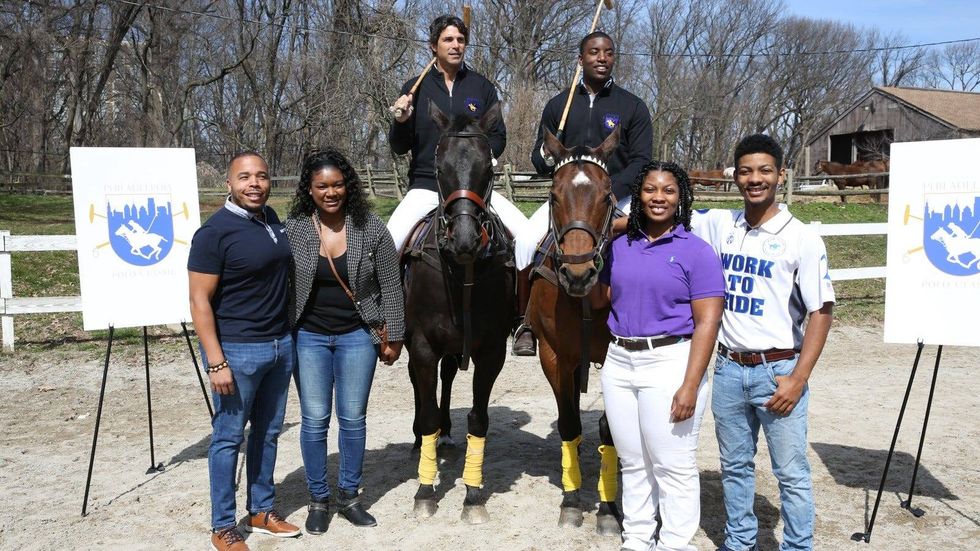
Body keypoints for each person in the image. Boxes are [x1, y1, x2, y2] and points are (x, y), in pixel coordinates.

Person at [690, 134, 835, 551]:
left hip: (779, 371)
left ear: (780, 175)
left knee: (790, 472)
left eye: (765, 171)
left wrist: (798, 378)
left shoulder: (802, 237)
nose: (755, 179)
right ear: (735, 175)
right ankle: (740, 543)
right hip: (729, 369)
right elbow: (660, 211)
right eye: (747, 171)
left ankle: (797, 546)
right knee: (735, 467)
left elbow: (821, 311)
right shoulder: (721, 224)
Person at [590, 161, 724, 551]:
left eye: (667, 190)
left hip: (670, 362)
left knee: (673, 465)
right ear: (639, 195)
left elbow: (707, 324)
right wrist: (589, 257)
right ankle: (636, 539)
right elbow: (602, 299)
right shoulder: (620, 246)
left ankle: (675, 544)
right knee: (633, 462)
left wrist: (690, 385)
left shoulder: (696, 252)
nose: (658, 198)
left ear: (680, 196)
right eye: (650, 190)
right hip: (619, 362)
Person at [284, 147, 405, 535]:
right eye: (322, 186)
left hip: (357, 334)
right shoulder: (297, 228)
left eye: (337, 184)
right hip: (309, 336)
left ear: (348, 186)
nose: (330, 192)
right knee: (315, 418)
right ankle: (318, 499)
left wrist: (395, 334)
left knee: (352, 418)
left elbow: (391, 283)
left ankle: (350, 496)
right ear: (310, 188)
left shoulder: (370, 226)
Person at [513, 30, 653, 355]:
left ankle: (645, 318)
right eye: (593, 52)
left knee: (646, 247)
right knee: (523, 242)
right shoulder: (558, 105)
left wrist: (609, 190)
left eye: (607, 52)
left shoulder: (632, 106)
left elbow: (643, 161)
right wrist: (545, 157)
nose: (601, 58)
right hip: (569, 198)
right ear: (580, 60)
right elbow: (539, 158)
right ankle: (526, 323)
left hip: (617, 194)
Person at [188, 152, 300, 551]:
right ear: (229, 184)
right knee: (228, 436)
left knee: (268, 433)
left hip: (279, 345)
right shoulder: (214, 232)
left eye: (262, 177)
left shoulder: (272, 221)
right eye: (244, 177)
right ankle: (223, 525)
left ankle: (261, 510)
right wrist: (216, 361)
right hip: (236, 350)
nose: (254, 183)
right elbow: (200, 301)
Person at [388, 14, 528, 253]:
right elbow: (399, 147)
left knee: (528, 239)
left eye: (461, 39)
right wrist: (401, 121)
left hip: (477, 191)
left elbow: (498, 136)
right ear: (433, 46)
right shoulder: (415, 89)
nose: (456, 45)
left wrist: (482, 160)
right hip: (426, 187)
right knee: (388, 246)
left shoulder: (482, 87)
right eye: (448, 39)